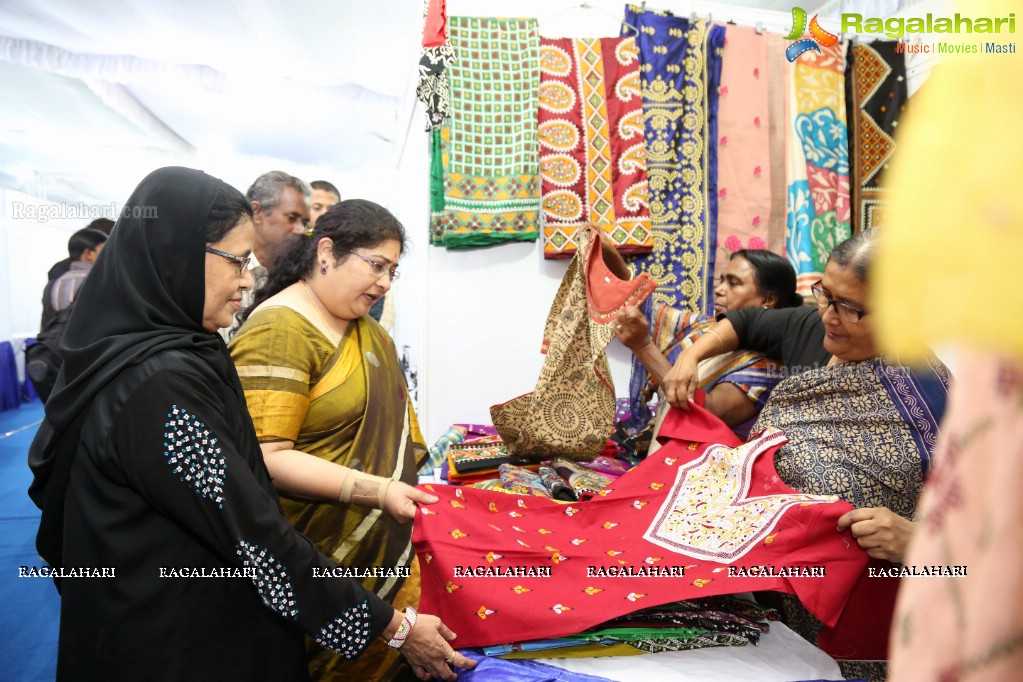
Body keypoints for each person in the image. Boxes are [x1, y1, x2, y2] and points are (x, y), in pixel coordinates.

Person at [27, 167, 473, 682]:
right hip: (170, 640)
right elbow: (252, 536)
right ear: (174, 254)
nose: (246, 278)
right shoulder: (156, 385)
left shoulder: (178, 353)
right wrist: (391, 626)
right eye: (235, 261)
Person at [661, 230, 950, 682]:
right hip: (784, 623)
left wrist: (921, 542)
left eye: (849, 308)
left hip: (880, 635)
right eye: (825, 295)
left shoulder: (936, 399)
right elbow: (750, 323)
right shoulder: (829, 342)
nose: (828, 316)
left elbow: (993, 542)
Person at [229, 199, 422, 680]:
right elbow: (265, 459)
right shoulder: (281, 329)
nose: (384, 283)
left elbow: (402, 438)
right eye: (376, 265)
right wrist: (378, 490)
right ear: (327, 252)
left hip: (383, 545)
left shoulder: (371, 334)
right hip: (314, 556)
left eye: (393, 271)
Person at [614, 249, 802, 442]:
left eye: (733, 283)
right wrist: (608, 253)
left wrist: (644, 347)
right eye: (721, 281)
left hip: (701, 468)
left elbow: (705, 413)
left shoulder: (767, 367)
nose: (719, 289)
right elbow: (640, 302)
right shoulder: (703, 328)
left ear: (768, 300)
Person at [28, 226, 110, 401]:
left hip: (51, 352)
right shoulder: (99, 281)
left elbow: (46, 321)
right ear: (88, 254)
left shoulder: (54, 283)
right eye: (104, 250)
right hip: (85, 357)